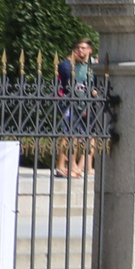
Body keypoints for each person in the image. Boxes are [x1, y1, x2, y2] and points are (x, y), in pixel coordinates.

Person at [54, 39, 95, 177]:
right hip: (71, 104)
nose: (80, 50)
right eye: (78, 47)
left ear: (90, 50)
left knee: (85, 136)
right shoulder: (71, 65)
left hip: (86, 104)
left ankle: (76, 167)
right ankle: (62, 166)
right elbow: (66, 74)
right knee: (69, 135)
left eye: (83, 48)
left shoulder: (93, 66)